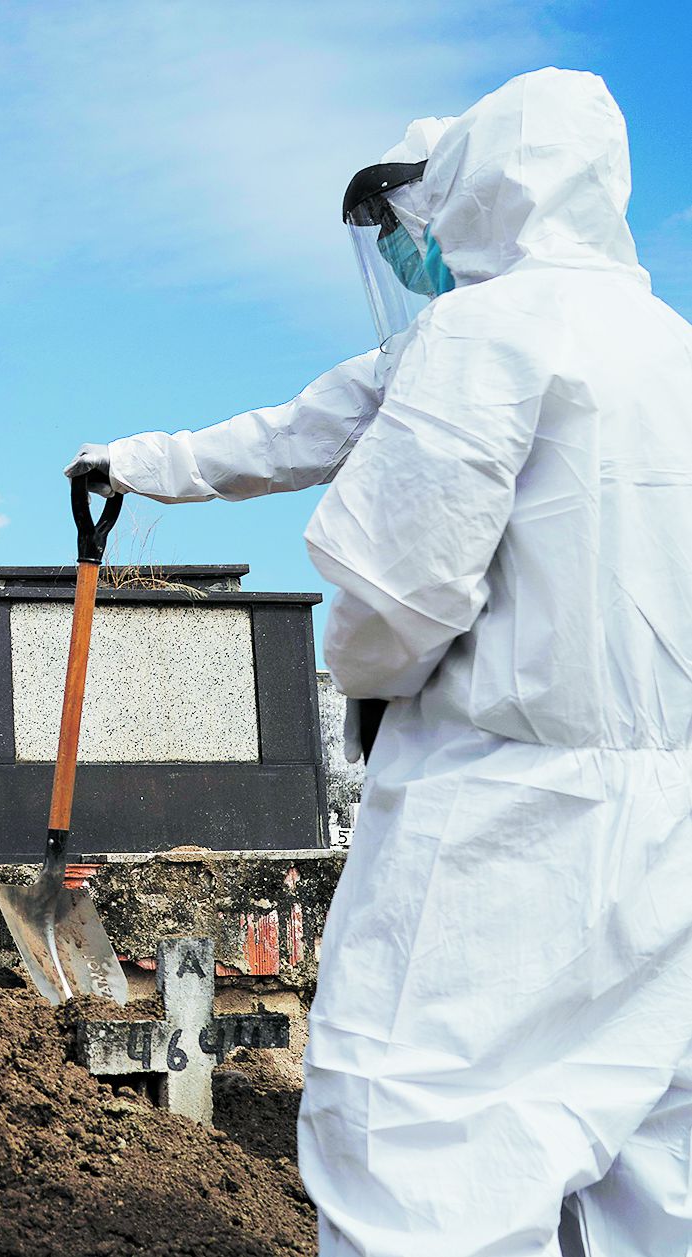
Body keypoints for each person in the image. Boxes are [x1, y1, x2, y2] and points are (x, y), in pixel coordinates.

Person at [186, 69, 690, 1256]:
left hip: (502, 815)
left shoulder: (483, 331)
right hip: (671, 823)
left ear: (477, 185)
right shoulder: (669, 349)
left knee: (419, 1147)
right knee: (649, 1155)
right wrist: (134, 460)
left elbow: (392, 593)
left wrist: (368, 680)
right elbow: (285, 432)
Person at [60, 115, 451, 509]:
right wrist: (129, 462)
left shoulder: (490, 336)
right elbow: (286, 438)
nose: (388, 243)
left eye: (393, 223)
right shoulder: (419, 357)